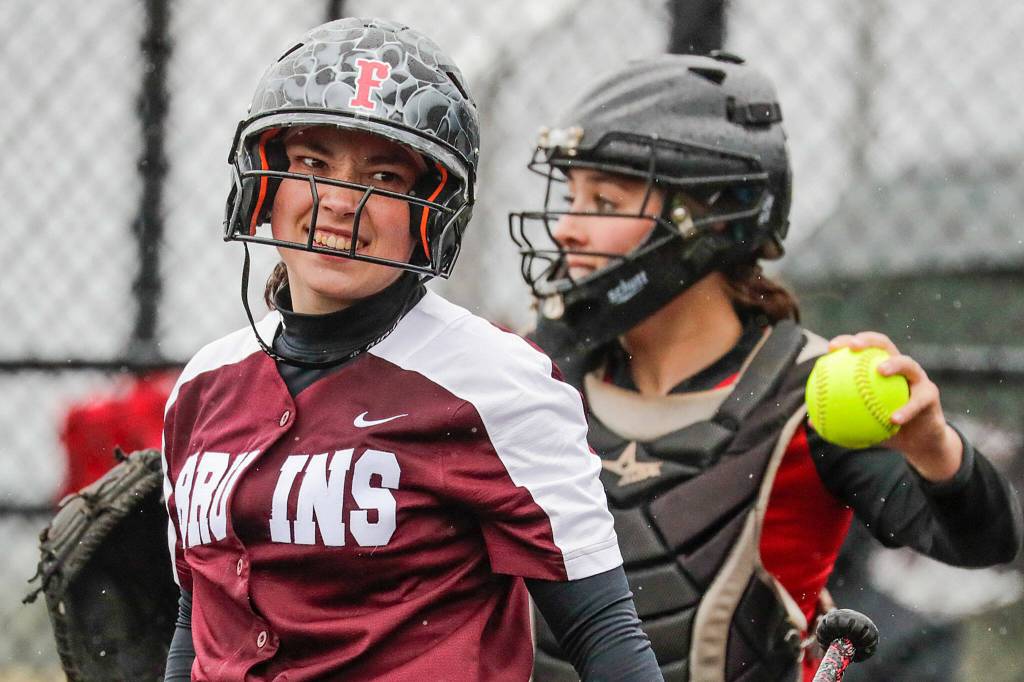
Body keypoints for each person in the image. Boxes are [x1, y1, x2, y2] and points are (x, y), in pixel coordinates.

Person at [161, 18, 663, 682]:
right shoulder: (204, 385)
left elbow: (602, 634)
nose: (339, 202)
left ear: (435, 212)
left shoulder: (496, 383)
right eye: (313, 164)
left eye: (385, 176)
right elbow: (194, 623)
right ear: (266, 180)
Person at [508, 52, 1023, 681]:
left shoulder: (805, 391)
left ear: (707, 217)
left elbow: (984, 543)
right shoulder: (534, 373)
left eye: (604, 201)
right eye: (570, 197)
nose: (565, 229)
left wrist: (935, 448)